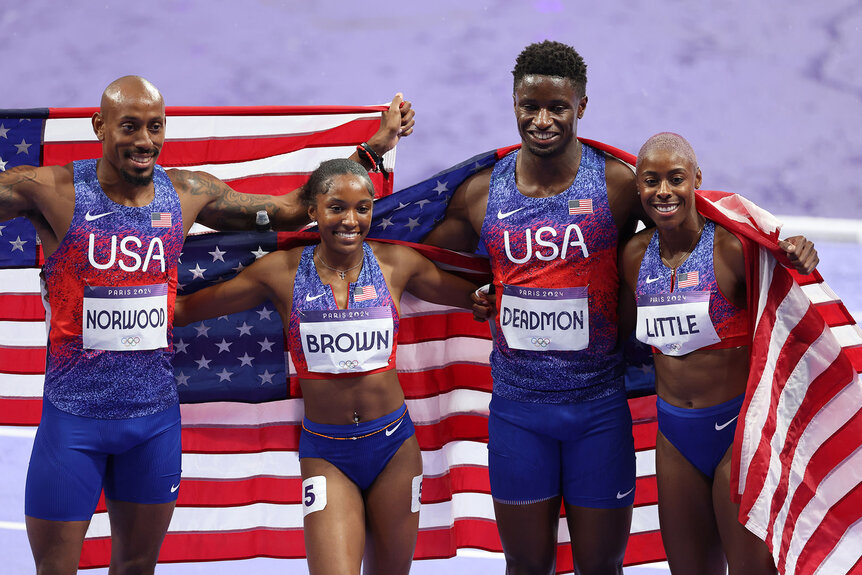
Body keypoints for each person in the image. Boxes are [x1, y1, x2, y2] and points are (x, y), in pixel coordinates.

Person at [424, 41, 817, 575]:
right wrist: (471, 293)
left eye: (557, 107)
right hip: (518, 409)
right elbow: (417, 256)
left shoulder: (617, 184)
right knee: (524, 565)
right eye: (529, 106)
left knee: (606, 566)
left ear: (581, 107)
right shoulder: (479, 194)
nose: (542, 120)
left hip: (600, 410)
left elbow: (704, 220)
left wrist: (782, 244)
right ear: (512, 102)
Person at [0, 75, 413, 575]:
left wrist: (371, 152)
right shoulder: (52, 190)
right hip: (72, 422)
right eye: (129, 127)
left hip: (152, 423)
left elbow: (287, 211)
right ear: (99, 126)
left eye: (155, 127)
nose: (144, 141)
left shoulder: (187, 192)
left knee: (136, 566)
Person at [173, 158, 480, 574]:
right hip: (326, 453)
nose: (350, 220)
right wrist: (94, 289)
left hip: (394, 448)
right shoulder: (279, 273)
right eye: (336, 207)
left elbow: (477, 298)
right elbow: (184, 309)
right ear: (312, 211)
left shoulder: (396, 264)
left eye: (362, 207)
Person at [617, 133, 816, 574]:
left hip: (735, 437)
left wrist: (800, 255)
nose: (664, 191)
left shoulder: (732, 248)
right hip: (673, 438)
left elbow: (783, 284)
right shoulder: (632, 256)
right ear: (639, 190)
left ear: (696, 180)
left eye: (675, 179)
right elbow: (616, 331)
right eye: (651, 181)